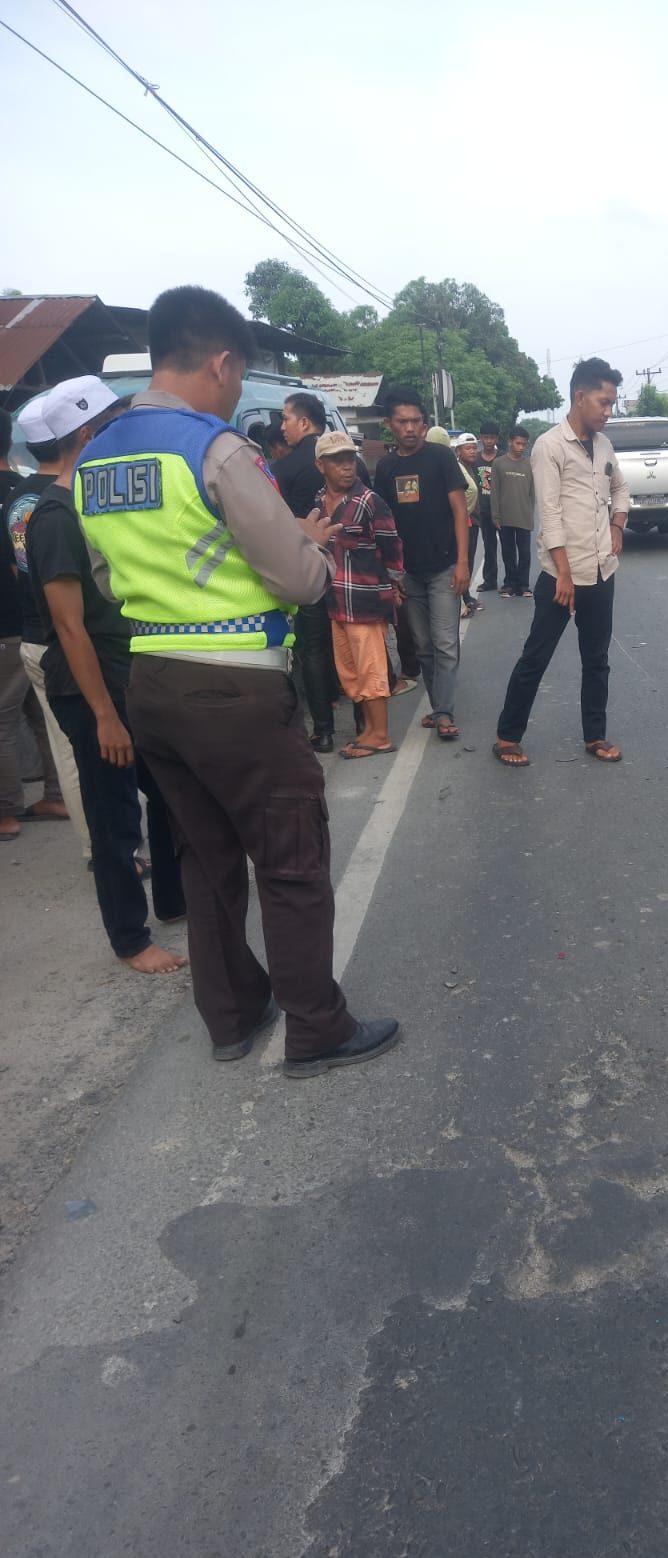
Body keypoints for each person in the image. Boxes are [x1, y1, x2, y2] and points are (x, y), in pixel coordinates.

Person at [74, 285, 399, 1075]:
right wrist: (309, 547)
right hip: (237, 687)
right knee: (290, 860)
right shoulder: (215, 449)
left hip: (152, 683)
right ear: (221, 362)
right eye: (238, 374)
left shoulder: (95, 457)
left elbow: (109, 580)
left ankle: (232, 1016)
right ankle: (316, 1028)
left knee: (204, 856)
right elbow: (298, 580)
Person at [25, 377, 187, 972]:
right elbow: (70, 627)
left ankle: (174, 898)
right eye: (116, 426)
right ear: (89, 435)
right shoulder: (54, 516)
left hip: (128, 673)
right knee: (114, 817)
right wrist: (104, 717)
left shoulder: (95, 502)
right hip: (91, 689)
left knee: (169, 791)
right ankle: (130, 940)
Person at [494, 357, 629, 768]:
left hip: (601, 572)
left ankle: (595, 736)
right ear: (580, 397)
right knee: (536, 657)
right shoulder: (549, 446)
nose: (608, 412)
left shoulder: (604, 445)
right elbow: (549, 514)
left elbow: (621, 488)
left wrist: (618, 525)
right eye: (604, 403)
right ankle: (507, 737)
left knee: (597, 660)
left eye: (612, 404)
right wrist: (564, 576)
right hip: (561, 576)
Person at [2, 397, 86, 850]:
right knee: (62, 733)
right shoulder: (42, 496)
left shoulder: (24, 498)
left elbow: (21, 569)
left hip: (35, 630)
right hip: (52, 631)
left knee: (58, 735)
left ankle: (15, 809)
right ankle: (91, 834)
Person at [373, 389, 470, 743]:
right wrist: (391, 575)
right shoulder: (386, 467)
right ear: (389, 424)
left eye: (416, 421)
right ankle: (439, 704)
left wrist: (463, 562)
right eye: (403, 422)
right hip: (408, 573)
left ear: (425, 424)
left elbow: (460, 510)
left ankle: (444, 712)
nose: (410, 428)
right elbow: (383, 524)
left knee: (445, 643)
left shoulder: (440, 457)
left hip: (445, 567)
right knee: (424, 645)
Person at [315, 431, 404, 759]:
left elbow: (392, 547)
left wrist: (394, 586)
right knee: (351, 672)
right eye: (337, 460)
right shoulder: (319, 502)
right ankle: (368, 731)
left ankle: (380, 735)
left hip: (366, 602)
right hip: (336, 602)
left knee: (371, 669)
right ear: (321, 465)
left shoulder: (369, 501)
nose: (346, 466)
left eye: (349, 459)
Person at [274, 391, 340, 752]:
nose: (282, 426)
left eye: (285, 418)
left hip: (308, 566)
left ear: (304, 421)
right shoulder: (348, 462)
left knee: (312, 648)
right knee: (349, 638)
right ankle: (365, 718)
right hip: (348, 567)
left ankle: (324, 730)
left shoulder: (283, 469)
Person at [490, 426, 535, 597]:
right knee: (508, 552)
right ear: (510, 442)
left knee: (525, 553)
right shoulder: (499, 463)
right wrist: (496, 515)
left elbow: (532, 492)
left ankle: (523, 585)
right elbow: (495, 491)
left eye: (524, 444)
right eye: (518, 443)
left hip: (524, 516)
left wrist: (530, 513)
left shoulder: (529, 464)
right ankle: (509, 584)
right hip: (505, 517)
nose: (521, 447)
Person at [452, 433, 486, 619]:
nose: (473, 451)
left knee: (470, 560)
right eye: (468, 448)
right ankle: (462, 598)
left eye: (474, 448)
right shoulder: (457, 469)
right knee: (463, 560)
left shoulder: (471, 468)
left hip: (474, 520)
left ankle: (466, 596)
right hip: (465, 521)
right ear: (458, 451)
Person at [475, 422, 502, 592]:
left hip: (502, 509)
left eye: (492, 438)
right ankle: (490, 580)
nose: (489, 441)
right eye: (486, 438)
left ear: (496, 438)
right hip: (484, 510)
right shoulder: (475, 459)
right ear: (481, 438)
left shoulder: (503, 458)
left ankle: (512, 581)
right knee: (489, 546)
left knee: (508, 546)